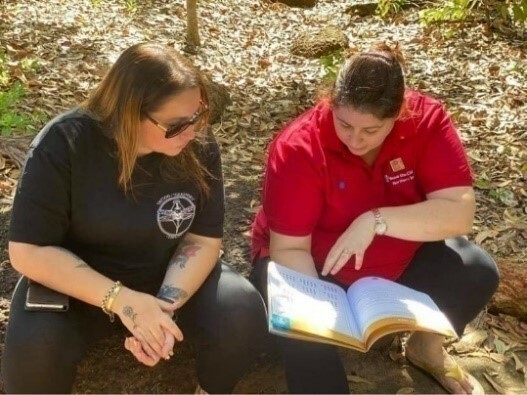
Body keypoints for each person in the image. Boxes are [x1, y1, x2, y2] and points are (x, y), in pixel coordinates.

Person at [2, 42, 267, 394]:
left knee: (242, 311)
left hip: (166, 278)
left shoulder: (196, 143)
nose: (191, 132)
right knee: (33, 351)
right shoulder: (63, 144)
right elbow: (28, 251)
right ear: (128, 112)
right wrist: (122, 300)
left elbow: (202, 241)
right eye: (175, 125)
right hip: (79, 285)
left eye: (198, 116)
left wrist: (162, 312)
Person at [250, 43, 499, 394]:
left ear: (398, 113)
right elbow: (290, 248)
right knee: (314, 362)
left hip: (394, 258)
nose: (355, 140)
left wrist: (375, 220)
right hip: (315, 267)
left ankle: (424, 349)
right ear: (331, 104)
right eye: (345, 124)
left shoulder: (426, 121)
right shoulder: (298, 147)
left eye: (371, 130)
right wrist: (319, 316)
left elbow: (459, 212)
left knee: (477, 271)